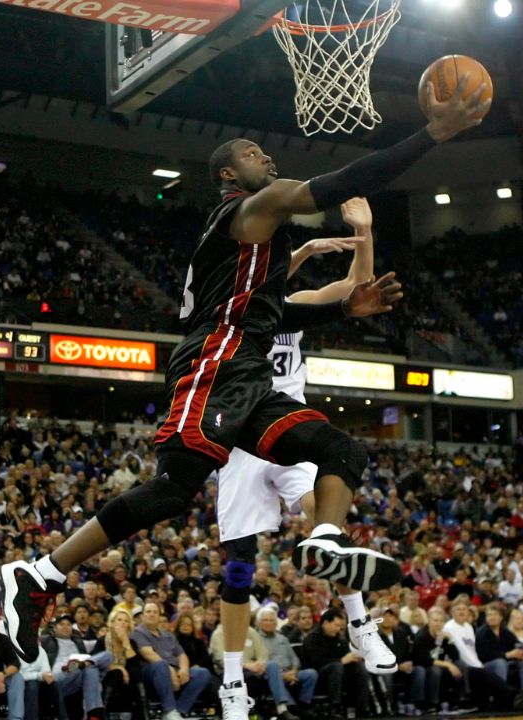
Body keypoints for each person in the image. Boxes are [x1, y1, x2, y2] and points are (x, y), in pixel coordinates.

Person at [0, 81, 489, 665]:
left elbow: (267, 312)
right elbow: (343, 183)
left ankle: (326, 540)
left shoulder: (254, 248)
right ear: (229, 175)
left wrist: (341, 308)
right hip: (216, 359)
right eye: (255, 154)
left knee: (342, 451)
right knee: (173, 488)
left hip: (250, 370)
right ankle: (40, 573)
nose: (269, 159)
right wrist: (433, 133)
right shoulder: (250, 208)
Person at [210, 197, 398, 719]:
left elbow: (355, 289)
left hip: (290, 434)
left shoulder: (294, 312)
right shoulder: (228, 309)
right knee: (241, 566)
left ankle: (360, 625)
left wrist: (364, 233)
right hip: (243, 442)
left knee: (327, 525)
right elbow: (251, 282)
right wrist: (303, 250)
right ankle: (231, 684)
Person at [131, 602, 213, 720]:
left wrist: (184, 669)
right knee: (160, 665)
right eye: (148, 612)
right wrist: (170, 671)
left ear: (159, 616)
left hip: (174, 670)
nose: (152, 615)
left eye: (155, 612)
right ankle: (169, 709)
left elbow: (182, 655)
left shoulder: (168, 635)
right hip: (151, 673)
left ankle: (179, 711)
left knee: (202, 673)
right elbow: (148, 654)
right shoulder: (138, 632)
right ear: (142, 616)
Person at [300, 608, 372, 714]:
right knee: (336, 666)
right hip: (317, 675)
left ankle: (362, 707)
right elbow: (316, 662)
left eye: (340, 626)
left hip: (338, 674)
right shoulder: (312, 638)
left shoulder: (338, 638)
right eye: (336, 625)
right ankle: (335, 706)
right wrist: (341, 660)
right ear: (325, 623)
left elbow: (346, 656)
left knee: (359, 667)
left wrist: (355, 657)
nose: (338, 629)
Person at [41, 613, 108, 720]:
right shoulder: (45, 640)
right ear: (54, 627)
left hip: (76, 675)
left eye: (68, 624)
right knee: (88, 668)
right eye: (61, 624)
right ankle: (78, 665)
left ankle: (94, 714)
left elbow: (104, 647)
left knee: (102, 659)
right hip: (57, 677)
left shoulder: (79, 642)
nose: (65, 627)